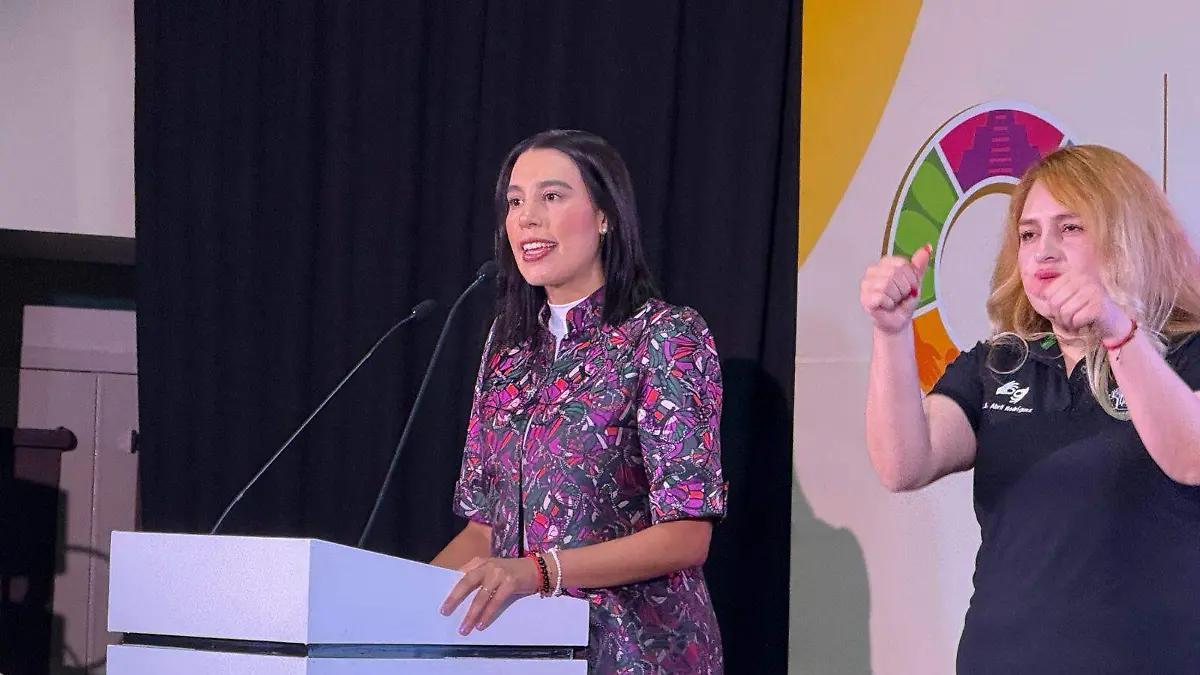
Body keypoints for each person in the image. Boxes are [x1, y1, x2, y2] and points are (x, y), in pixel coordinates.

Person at [860, 143, 1200, 673]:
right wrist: (891, 332)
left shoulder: (1185, 354)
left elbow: (1190, 456)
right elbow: (903, 463)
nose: (1044, 252)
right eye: (1028, 234)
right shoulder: (997, 363)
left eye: (1070, 228)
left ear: (1125, 237)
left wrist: (1117, 331)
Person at [432, 129, 727, 673]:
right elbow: (484, 530)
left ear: (605, 216)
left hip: (638, 654)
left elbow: (686, 536)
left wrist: (538, 571)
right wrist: (405, 601)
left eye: (551, 196)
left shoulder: (664, 336)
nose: (526, 218)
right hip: (523, 656)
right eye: (515, 201)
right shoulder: (506, 348)